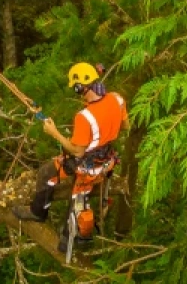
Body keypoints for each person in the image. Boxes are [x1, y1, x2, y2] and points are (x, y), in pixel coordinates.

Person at [13, 62, 128, 226]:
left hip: (88, 166)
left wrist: (55, 134)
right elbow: (125, 126)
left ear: (79, 88)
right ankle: (69, 230)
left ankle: (38, 213)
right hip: (107, 159)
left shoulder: (84, 116)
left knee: (47, 174)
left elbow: (77, 152)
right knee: (72, 198)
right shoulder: (117, 99)